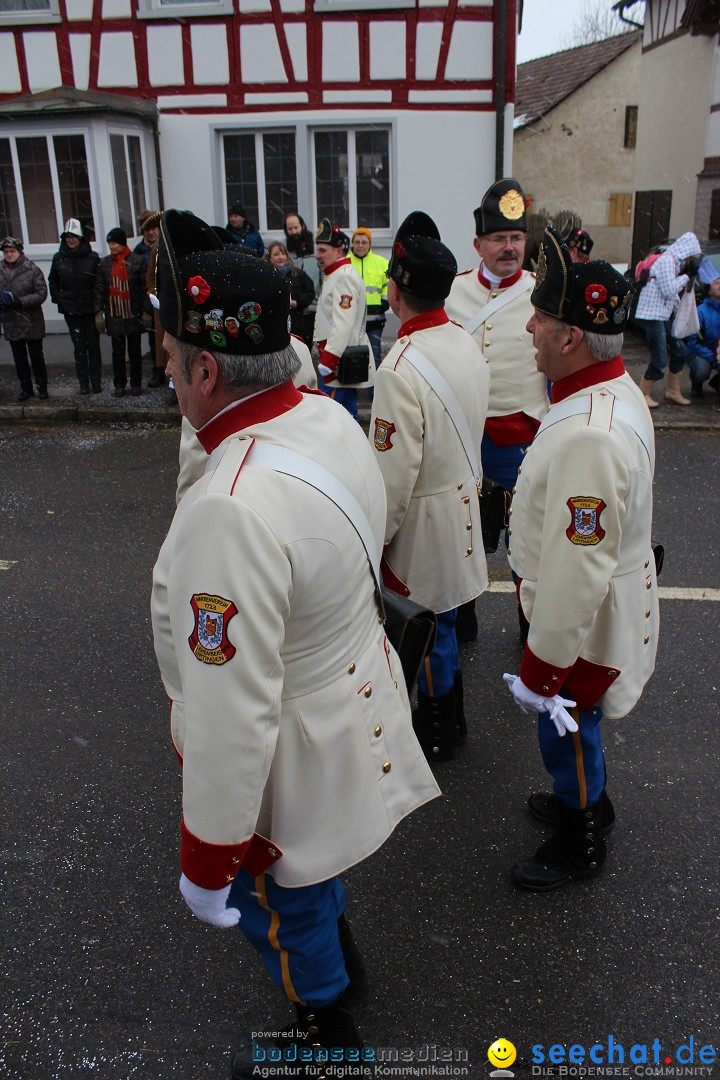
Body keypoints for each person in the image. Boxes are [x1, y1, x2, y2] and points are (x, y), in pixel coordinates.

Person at [149, 209, 439, 1075]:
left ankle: (324, 1028)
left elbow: (233, 712)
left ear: (207, 369)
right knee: (313, 886)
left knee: (280, 899)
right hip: (346, 695)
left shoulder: (230, 502)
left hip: (288, 751)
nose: (165, 374)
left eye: (169, 360)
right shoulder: (322, 418)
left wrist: (208, 857)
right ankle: (337, 965)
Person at [503, 225, 659, 891]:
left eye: (540, 317)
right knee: (577, 726)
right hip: (599, 600)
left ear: (570, 337)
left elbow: (577, 569)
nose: (529, 327)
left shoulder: (588, 433)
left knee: (566, 722)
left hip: (582, 620)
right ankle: (587, 799)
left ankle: (582, 835)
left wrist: (542, 668)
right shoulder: (609, 390)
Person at [370, 212, 489, 762]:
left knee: (427, 625)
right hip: (463, 500)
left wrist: (376, 539)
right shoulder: (464, 339)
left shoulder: (398, 366)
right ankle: (452, 718)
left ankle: (438, 726)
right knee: (444, 623)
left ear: (396, 290)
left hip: (424, 518)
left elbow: (393, 478)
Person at [446, 178, 549, 642]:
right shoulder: (453, 292)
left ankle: (531, 625)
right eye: (498, 239)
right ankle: (461, 615)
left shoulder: (543, 292)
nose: (509, 248)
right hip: (462, 436)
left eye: (516, 238)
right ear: (478, 244)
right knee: (459, 529)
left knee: (525, 536)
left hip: (521, 435)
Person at [634, 231, 702, 408]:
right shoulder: (667, 261)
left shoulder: (675, 263)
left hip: (661, 314)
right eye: (690, 257)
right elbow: (668, 290)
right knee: (659, 357)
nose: (690, 261)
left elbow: (671, 294)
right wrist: (686, 276)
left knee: (679, 349)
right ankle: (643, 394)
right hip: (651, 315)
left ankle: (673, 391)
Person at [314, 217, 372, 420]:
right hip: (341, 359)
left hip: (338, 362)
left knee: (329, 415)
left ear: (339, 251)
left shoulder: (343, 277)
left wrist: (329, 362)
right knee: (348, 413)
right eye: (318, 250)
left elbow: (343, 324)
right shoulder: (337, 274)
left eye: (323, 250)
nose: (317, 255)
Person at [48, 218, 102, 395]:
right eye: (68, 237)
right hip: (71, 310)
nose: (71, 240)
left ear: (81, 238)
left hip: (89, 310)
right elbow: (53, 280)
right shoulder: (59, 259)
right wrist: (59, 298)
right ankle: (83, 383)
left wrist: (96, 306)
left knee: (93, 346)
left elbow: (98, 284)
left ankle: (96, 382)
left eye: (74, 237)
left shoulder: (92, 258)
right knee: (79, 347)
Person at [94, 227, 149, 397]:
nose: (111, 246)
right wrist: (98, 313)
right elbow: (99, 290)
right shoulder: (104, 264)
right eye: (109, 243)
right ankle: (119, 384)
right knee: (117, 353)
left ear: (123, 243)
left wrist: (146, 311)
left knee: (135, 352)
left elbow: (143, 288)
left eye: (114, 243)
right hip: (114, 314)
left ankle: (136, 384)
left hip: (133, 313)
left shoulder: (138, 261)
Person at [0, 236, 49, 401]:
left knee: (36, 356)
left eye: (12, 251)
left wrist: (20, 302)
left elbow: (41, 293)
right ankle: (26, 389)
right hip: (11, 321)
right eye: (6, 252)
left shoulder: (32, 269)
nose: (9, 254)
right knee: (19, 359)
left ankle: (42, 388)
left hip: (31, 320)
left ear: (20, 251)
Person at [134, 209, 166, 389]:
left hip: (164, 301)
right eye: (148, 229)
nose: (151, 232)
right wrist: (149, 297)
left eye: (154, 228)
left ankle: (169, 376)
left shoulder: (164, 247)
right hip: (148, 300)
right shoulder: (139, 252)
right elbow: (144, 279)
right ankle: (157, 371)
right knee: (154, 341)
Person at [349, 227, 389, 368]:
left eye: (364, 242)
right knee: (352, 358)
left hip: (375, 321)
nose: (360, 245)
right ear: (352, 243)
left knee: (374, 358)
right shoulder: (345, 263)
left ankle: (375, 390)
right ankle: (354, 389)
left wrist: (385, 300)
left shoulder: (382, 262)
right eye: (357, 242)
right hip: (351, 322)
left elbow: (388, 283)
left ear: (369, 244)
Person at [284, 211, 322, 346]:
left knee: (308, 347)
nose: (294, 231)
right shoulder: (285, 252)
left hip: (312, 309)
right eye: (290, 229)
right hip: (292, 311)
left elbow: (323, 280)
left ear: (303, 226)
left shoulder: (316, 250)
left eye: (296, 227)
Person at [265, 241, 315, 342]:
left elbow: (310, 292)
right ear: (269, 257)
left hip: (296, 325)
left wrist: (296, 303)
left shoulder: (297, 273)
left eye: (283, 253)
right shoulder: (265, 275)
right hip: (273, 324)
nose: (280, 257)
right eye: (276, 254)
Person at [687, 272, 720, 401]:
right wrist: (713, 358)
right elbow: (692, 342)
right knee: (701, 370)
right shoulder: (700, 311)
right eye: (716, 283)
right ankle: (696, 383)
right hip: (702, 353)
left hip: (718, 353)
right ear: (709, 290)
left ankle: (716, 381)